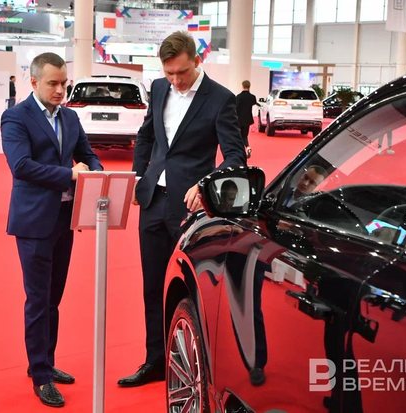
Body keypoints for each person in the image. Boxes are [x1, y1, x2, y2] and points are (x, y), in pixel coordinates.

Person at [119, 31, 246, 388]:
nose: (176, 80)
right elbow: (147, 136)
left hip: (190, 209)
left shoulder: (221, 98)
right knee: (152, 286)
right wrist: (137, 176)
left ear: (197, 61)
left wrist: (205, 186)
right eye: (170, 73)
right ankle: (155, 361)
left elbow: (234, 156)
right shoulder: (159, 88)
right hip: (152, 201)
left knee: (193, 289)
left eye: (182, 72)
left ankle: (194, 365)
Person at [1, 52, 103, 408]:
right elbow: (21, 166)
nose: (60, 90)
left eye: (64, 83)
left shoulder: (70, 117)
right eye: (53, 84)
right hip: (33, 221)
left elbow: (88, 155)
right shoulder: (16, 117)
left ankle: (44, 361)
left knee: (53, 300)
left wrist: (96, 171)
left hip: (64, 219)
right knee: (38, 300)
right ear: (34, 82)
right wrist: (71, 174)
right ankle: (41, 376)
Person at [235, 80, 260, 159]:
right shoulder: (252, 97)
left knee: (239, 136)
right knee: (245, 135)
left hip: (239, 119)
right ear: (249, 86)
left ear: (242, 86)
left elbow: (236, 107)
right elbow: (254, 103)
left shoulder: (239, 97)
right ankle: (248, 147)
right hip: (248, 119)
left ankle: (241, 151)